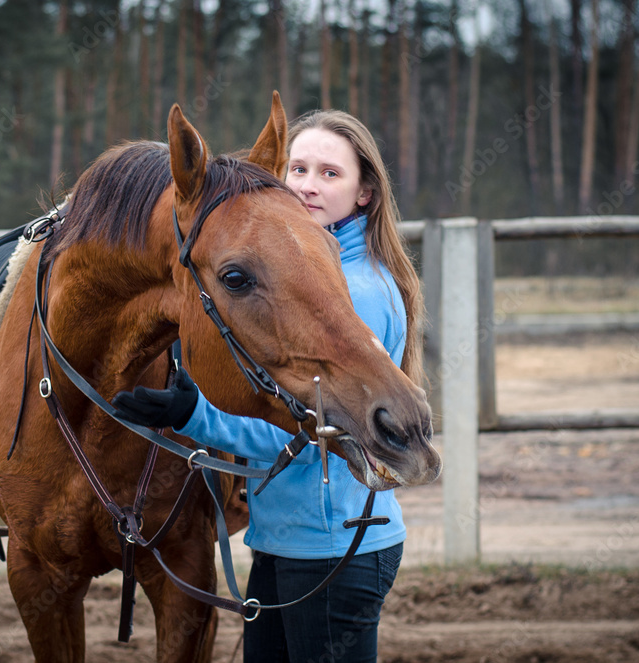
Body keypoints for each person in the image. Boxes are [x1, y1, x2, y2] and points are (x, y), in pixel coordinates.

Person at [113, 109, 424, 663]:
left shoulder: (356, 293)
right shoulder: (313, 272)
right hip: (289, 541)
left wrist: (193, 417)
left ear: (365, 194)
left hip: (333, 548)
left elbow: (306, 431)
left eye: (330, 174)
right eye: (297, 168)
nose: (307, 185)